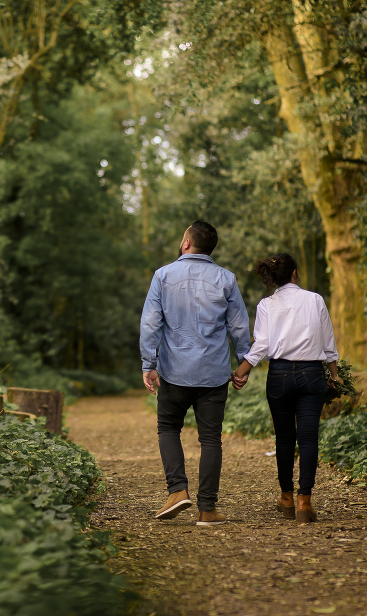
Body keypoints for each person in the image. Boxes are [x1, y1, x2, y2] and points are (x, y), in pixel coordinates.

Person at [140, 220, 250, 526]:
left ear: (187, 243)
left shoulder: (163, 276)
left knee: (168, 428)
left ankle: (177, 491)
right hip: (213, 374)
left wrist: (149, 364)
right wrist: (244, 363)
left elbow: (150, 323)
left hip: (174, 371)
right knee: (211, 439)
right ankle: (207, 508)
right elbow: (239, 326)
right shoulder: (226, 279)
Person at [230, 253, 342, 524]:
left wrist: (240, 372)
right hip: (311, 375)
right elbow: (328, 344)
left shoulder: (267, 304)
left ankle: (287, 498)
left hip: (279, 375)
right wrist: (335, 376)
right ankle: (305, 502)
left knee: (283, 439)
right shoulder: (315, 300)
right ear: (294, 274)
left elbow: (262, 345)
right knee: (308, 439)